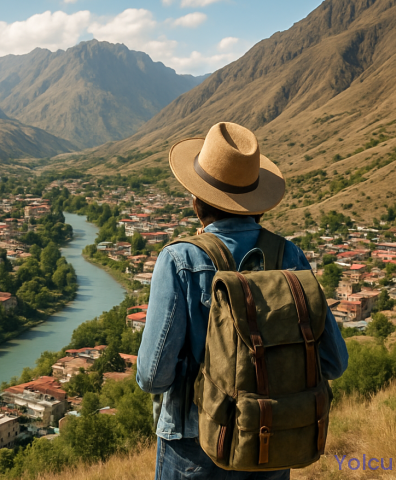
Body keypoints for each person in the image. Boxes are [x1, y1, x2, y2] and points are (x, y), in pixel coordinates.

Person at [136, 122, 349, 480]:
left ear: (197, 202)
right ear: (258, 204)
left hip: (194, 443)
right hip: (271, 438)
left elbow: (153, 377)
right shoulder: (291, 256)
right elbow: (334, 361)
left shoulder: (179, 260)